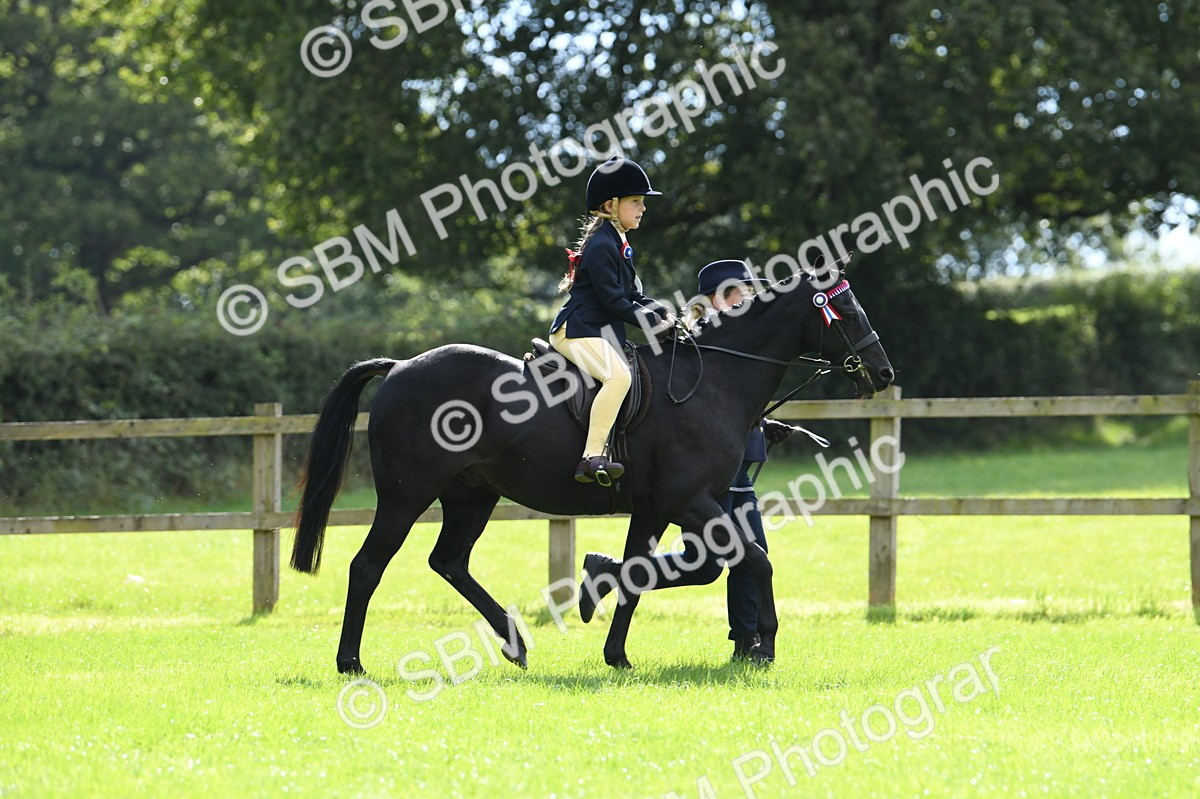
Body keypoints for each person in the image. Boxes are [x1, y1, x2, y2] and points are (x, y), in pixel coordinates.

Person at [579, 259, 800, 659]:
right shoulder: (694, 345)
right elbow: (701, 415)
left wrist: (765, 424)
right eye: (742, 292)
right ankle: (613, 572)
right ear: (718, 298)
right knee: (712, 566)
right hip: (701, 475)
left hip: (737, 472)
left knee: (745, 557)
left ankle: (746, 640)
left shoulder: (737, 346)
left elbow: (732, 408)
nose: (749, 298)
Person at [549, 155, 676, 485]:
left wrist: (662, 312)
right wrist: (650, 323)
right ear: (610, 204)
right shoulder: (602, 244)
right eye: (636, 201)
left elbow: (630, 295)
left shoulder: (617, 240)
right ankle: (592, 457)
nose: (643, 208)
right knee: (618, 377)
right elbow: (613, 301)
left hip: (596, 329)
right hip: (576, 330)